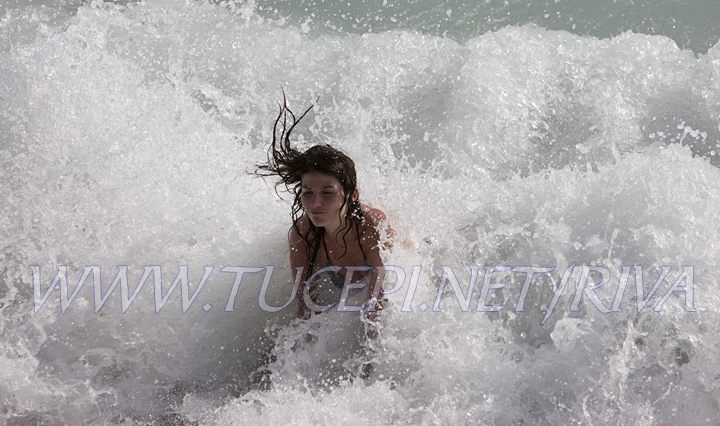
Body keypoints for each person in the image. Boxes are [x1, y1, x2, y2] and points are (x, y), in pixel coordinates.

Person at [254, 95, 393, 324]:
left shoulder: (372, 227)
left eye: (327, 192)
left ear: (352, 195)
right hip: (345, 285)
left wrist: (368, 360)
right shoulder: (303, 235)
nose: (315, 203)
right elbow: (305, 308)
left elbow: (380, 306)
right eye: (308, 192)